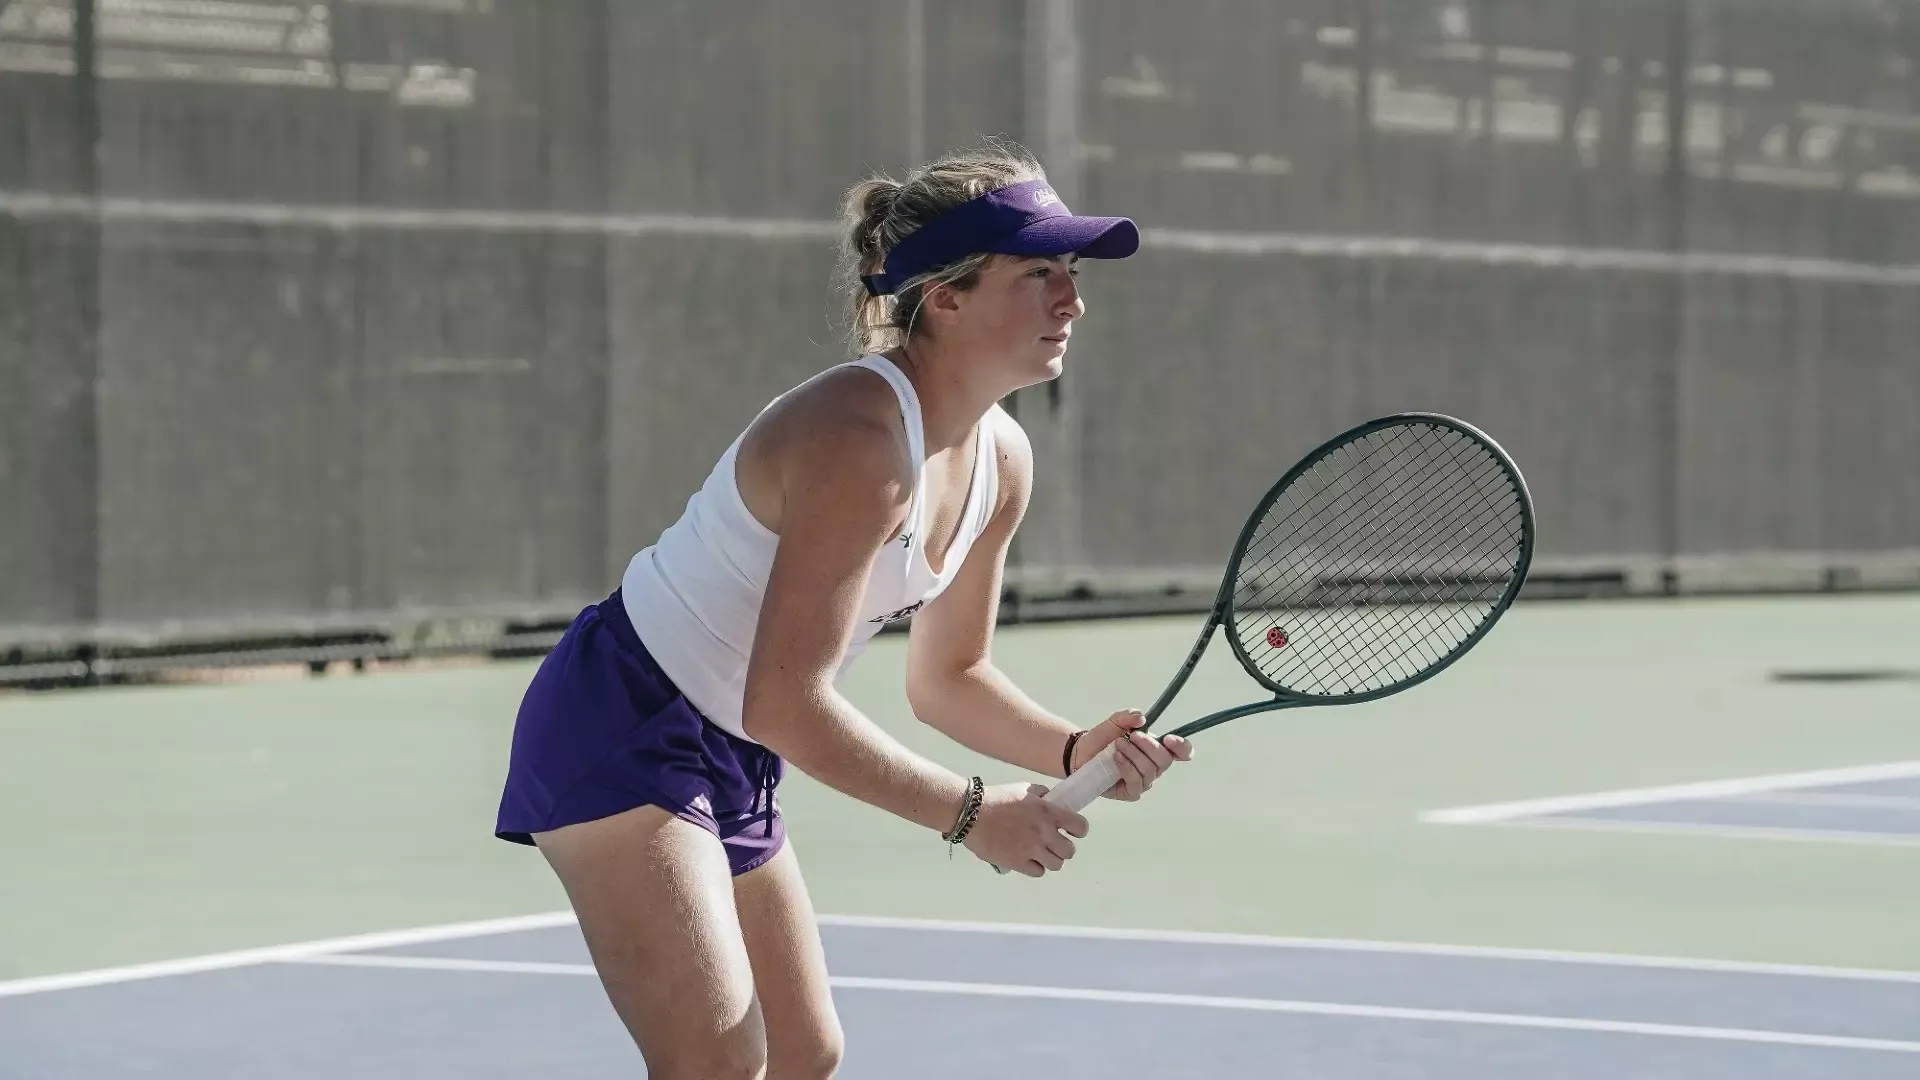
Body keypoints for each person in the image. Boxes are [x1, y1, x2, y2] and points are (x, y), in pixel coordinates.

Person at [493, 139, 1193, 1080]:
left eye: (1070, 272)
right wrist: (972, 813)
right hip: (620, 718)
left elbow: (950, 679)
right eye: (1037, 274)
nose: (1072, 299)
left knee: (803, 1054)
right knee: (715, 1059)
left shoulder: (1003, 462)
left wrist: (1073, 754)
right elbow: (787, 701)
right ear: (944, 298)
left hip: (732, 744)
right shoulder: (857, 441)